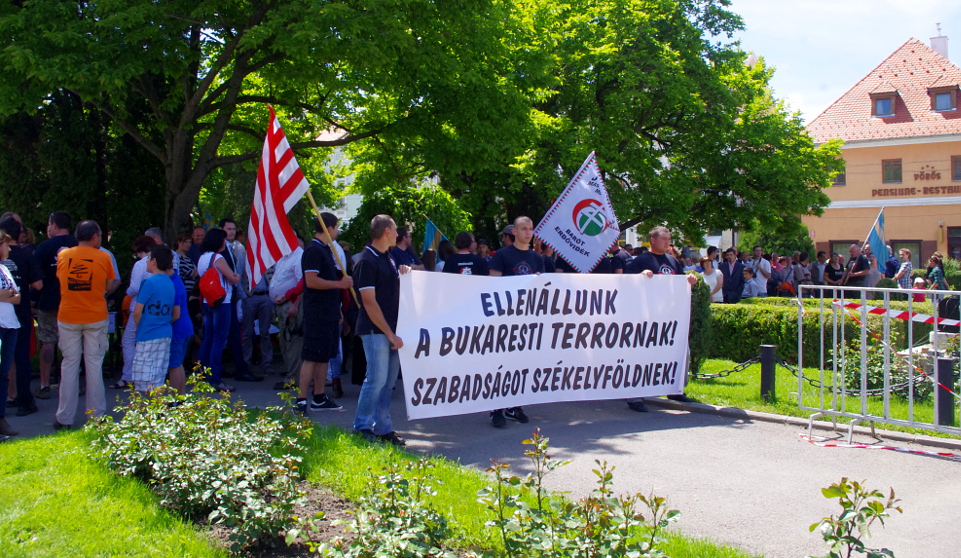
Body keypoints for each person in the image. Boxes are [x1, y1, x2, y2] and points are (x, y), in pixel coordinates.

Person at [625, 226, 699, 412]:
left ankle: (674, 389)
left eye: (669, 238)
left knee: (673, 352)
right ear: (652, 240)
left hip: (670, 317)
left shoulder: (673, 261)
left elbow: (680, 284)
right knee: (642, 356)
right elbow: (626, 284)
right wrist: (640, 277)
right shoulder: (641, 260)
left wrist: (689, 281)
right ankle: (635, 396)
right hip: (647, 317)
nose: (668, 242)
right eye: (664, 238)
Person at [353, 215, 410, 446]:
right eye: (395, 230)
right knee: (375, 379)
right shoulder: (366, 260)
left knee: (388, 383)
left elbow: (392, 289)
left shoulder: (389, 257)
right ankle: (362, 426)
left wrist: (404, 273)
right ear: (387, 231)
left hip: (393, 330)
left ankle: (384, 427)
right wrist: (389, 333)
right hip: (375, 330)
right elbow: (369, 302)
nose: (398, 234)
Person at [53, 220, 116, 430]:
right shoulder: (104, 257)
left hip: (68, 316)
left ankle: (64, 418)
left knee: (69, 365)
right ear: (95, 237)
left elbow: (60, 279)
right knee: (94, 366)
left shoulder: (63, 255)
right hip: (95, 316)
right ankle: (96, 416)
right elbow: (108, 285)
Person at [487, 216, 544, 427]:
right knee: (500, 364)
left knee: (521, 365)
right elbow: (493, 285)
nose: (528, 233)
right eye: (524, 229)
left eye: (531, 229)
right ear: (515, 232)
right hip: (505, 319)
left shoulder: (537, 258)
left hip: (527, 320)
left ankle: (514, 405)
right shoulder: (502, 255)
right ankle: (496, 409)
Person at [296, 212, 350, 413]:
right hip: (317, 312)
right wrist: (339, 284)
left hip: (329, 311)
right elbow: (311, 281)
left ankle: (319, 397)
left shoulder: (327, 250)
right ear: (329, 228)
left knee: (324, 355)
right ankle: (301, 400)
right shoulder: (313, 250)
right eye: (336, 227)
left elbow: (331, 277)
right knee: (311, 356)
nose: (337, 231)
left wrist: (338, 308)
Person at [32, 210, 77, 399]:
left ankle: (44, 384)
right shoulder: (78, 244)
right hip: (73, 301)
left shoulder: (44, 247)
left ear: (54, 225)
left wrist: (34, 299)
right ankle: (73, 383)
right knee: (73, 343)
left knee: (48, 341)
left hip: (49, 300)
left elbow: (36, 277)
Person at [0, 217, 42, 417]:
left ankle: (10, 396)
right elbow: (38, 285)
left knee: (7, 360)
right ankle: (24, 400)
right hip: (21, 314)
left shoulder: (6, 263)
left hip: (9, 311)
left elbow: (14, 294)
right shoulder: (25, 255)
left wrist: (8, 293)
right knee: (22, 357)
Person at [196, 228, 240, 391]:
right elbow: (232, 278)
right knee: (219, 340)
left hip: (207, 301)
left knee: (208, 338)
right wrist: (237, 276)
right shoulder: (218, 258)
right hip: (222, 301)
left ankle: (200, 374)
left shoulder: (202, 258)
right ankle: (215, 378)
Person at [111, 235, 155, 390]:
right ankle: (147, 376)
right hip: (154, 306)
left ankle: (129, 375)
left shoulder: (140, 264)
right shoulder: (159, 262)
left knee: (128, 341)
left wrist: (127, 293)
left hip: (139, 305)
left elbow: (135, 287)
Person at [218, 218, 258, 381]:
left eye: (233, 229)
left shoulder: (236, 247)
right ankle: (218, 369)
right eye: (228, 229)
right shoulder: (219, 250)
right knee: (223, 334)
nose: (231, 232)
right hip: (223, 297)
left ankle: (239, 368)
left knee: (234, 332)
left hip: (233, 295)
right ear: (221, 230)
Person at [131, 245, 175, 393]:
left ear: (154, 261)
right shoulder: (170, 282)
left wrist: (138, 328)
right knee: (158, 376)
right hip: (165, 333)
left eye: (148, 258)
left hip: (148, 334)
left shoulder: (149, 283)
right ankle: (159, 404)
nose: (146, 261)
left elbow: (137, 311)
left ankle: (146, 406)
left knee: (143, 377)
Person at [0, 230, 22, 437]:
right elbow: (11, 294)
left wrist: (5, 294)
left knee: (4, 373)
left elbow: (18, 297)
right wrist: (9, 294)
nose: (9, 248)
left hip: (10, 326)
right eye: (5, 245)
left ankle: (1, 419)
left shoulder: (4, 269)